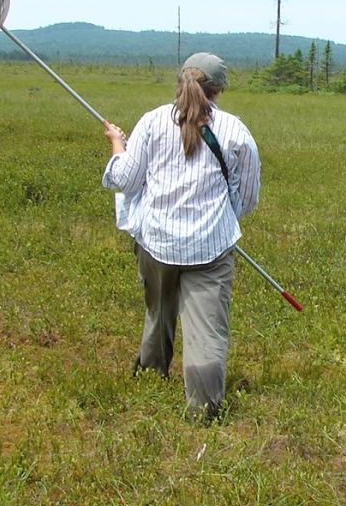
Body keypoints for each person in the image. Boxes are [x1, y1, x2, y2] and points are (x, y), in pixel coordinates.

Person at [101, 52, 260, 421]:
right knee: (207, 331)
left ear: (180, 82)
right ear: (218, 90)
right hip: (211, 249)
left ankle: (150, 377)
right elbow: (248, 196)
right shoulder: (236, 131)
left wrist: (117, 143)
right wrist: (220, 220)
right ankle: (202, 410)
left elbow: (125, 180)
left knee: (158, 312)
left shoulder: (152, 122)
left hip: (155, 242)